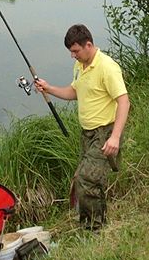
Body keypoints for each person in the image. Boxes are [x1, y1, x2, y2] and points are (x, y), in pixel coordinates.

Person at [35, 24, 130, 230]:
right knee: (86, 180)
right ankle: (87, 225)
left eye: (75, 51)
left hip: (105, 132)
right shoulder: (80, 66)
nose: (73, 56)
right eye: (70, 52)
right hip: (87, 134)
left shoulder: (107, 67)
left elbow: (124, 101)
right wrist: (48, 88)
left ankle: (97, 229)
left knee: (87, 179)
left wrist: (115, 137)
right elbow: (74, 92)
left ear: (88, 45)